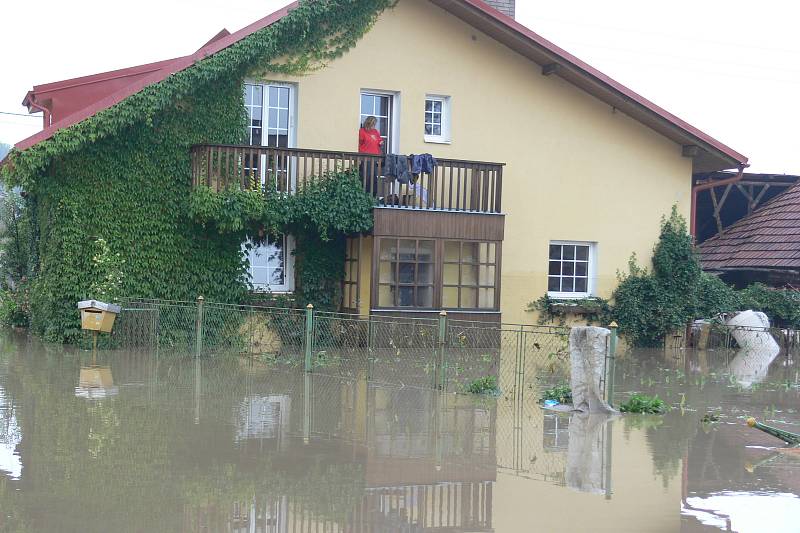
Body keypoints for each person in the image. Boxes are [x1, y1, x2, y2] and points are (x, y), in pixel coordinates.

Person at [358, 116, 384, 197]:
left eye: (375, 124)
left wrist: (381, 143)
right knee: (366, 177)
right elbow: (359, 144)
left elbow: (379, 140)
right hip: (365, 157)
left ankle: (372, 196)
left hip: (374, 158)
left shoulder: (375, 132)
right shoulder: (362, 131)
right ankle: (364, 196)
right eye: (373, 124)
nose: (374, 126)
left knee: (373, 178)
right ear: (368, 123)